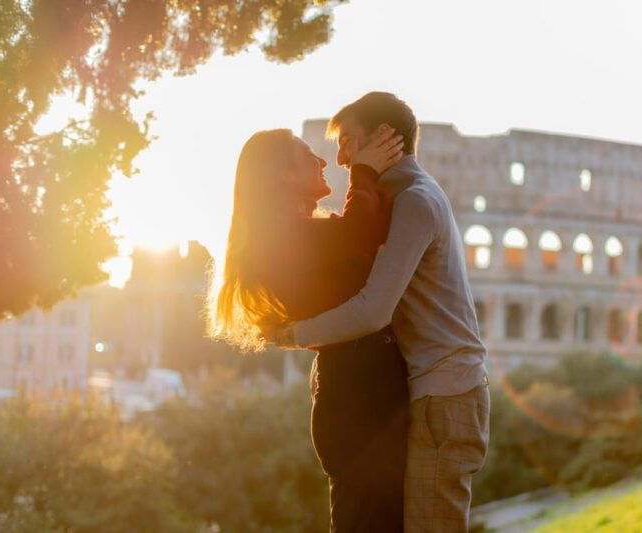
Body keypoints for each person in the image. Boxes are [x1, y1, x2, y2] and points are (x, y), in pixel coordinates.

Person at [272, 92, 491, 533]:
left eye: (349, 140)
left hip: (445, 392)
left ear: (386, 137)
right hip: (442, 388)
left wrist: (291, 334)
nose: (340, 155)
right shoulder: (402, 197)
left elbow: (372, 311)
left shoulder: (414, 201)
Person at [207, 126, 409, 532]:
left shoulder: (295, 233)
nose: (322, 162)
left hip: (360, 394)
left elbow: (366, 231)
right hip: (359, 401)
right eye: (308, 156)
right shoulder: (285, 238)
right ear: (283, 174)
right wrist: (364, 171)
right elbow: (361, 230)